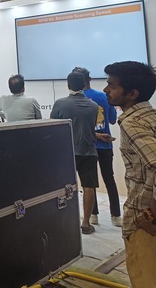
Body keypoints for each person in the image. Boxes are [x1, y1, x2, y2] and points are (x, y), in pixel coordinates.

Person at [103, 61, 156, 287]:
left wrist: (152, 216)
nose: (106, 89)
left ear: (132, 94)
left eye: (112, 86)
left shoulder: (133, 123)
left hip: (151, 231)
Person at [72, 67, 122, 227]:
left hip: (86, 146)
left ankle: (93, 215)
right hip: (105, 145)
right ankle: (116, 216)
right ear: (89, 79)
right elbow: (113, 120)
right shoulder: (103, 96)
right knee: (109, 179)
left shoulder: (72, 101)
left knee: (89, 182)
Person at [51, 71, 99, 235]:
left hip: (66, 152)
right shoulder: (94, 106)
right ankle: (86, 223)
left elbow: (53, 127)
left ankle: (65, 221)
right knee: (89, 187)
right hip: (89, 151)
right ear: (84, 84)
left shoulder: (60, 104)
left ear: (68, 84)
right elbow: (91, 127)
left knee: (63, 189)